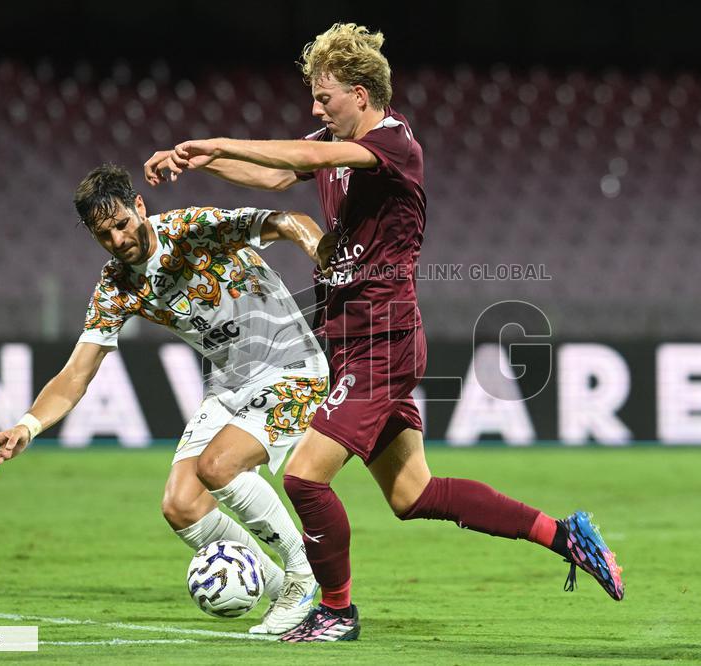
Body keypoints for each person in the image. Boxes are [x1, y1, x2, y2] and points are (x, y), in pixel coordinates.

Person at [145, 22, 623, 643]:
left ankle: (336, 612)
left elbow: (302, 156)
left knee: (303, 477)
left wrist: (214, 138)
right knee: (413, 493)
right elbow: (276, 174)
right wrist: (205, 159)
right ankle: (565, 535)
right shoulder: (333, 143)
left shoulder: (395, 143)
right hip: (348, 340)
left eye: (325, 97)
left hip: (382, 338)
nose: (315, 108)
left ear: (362, 95)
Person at [0, 164, 331, 634]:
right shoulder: (115, 285)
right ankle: (278, 590)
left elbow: (286, 222)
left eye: (122, 223)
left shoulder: (192, 231)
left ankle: (302, 576)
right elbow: (76, 373)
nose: (118, 239)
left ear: (139, 206)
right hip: (228, 384)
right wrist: (27, 425)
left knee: (217, 468)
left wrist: (320, 252)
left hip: (290, 369)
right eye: (104, 234)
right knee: (182, 505)